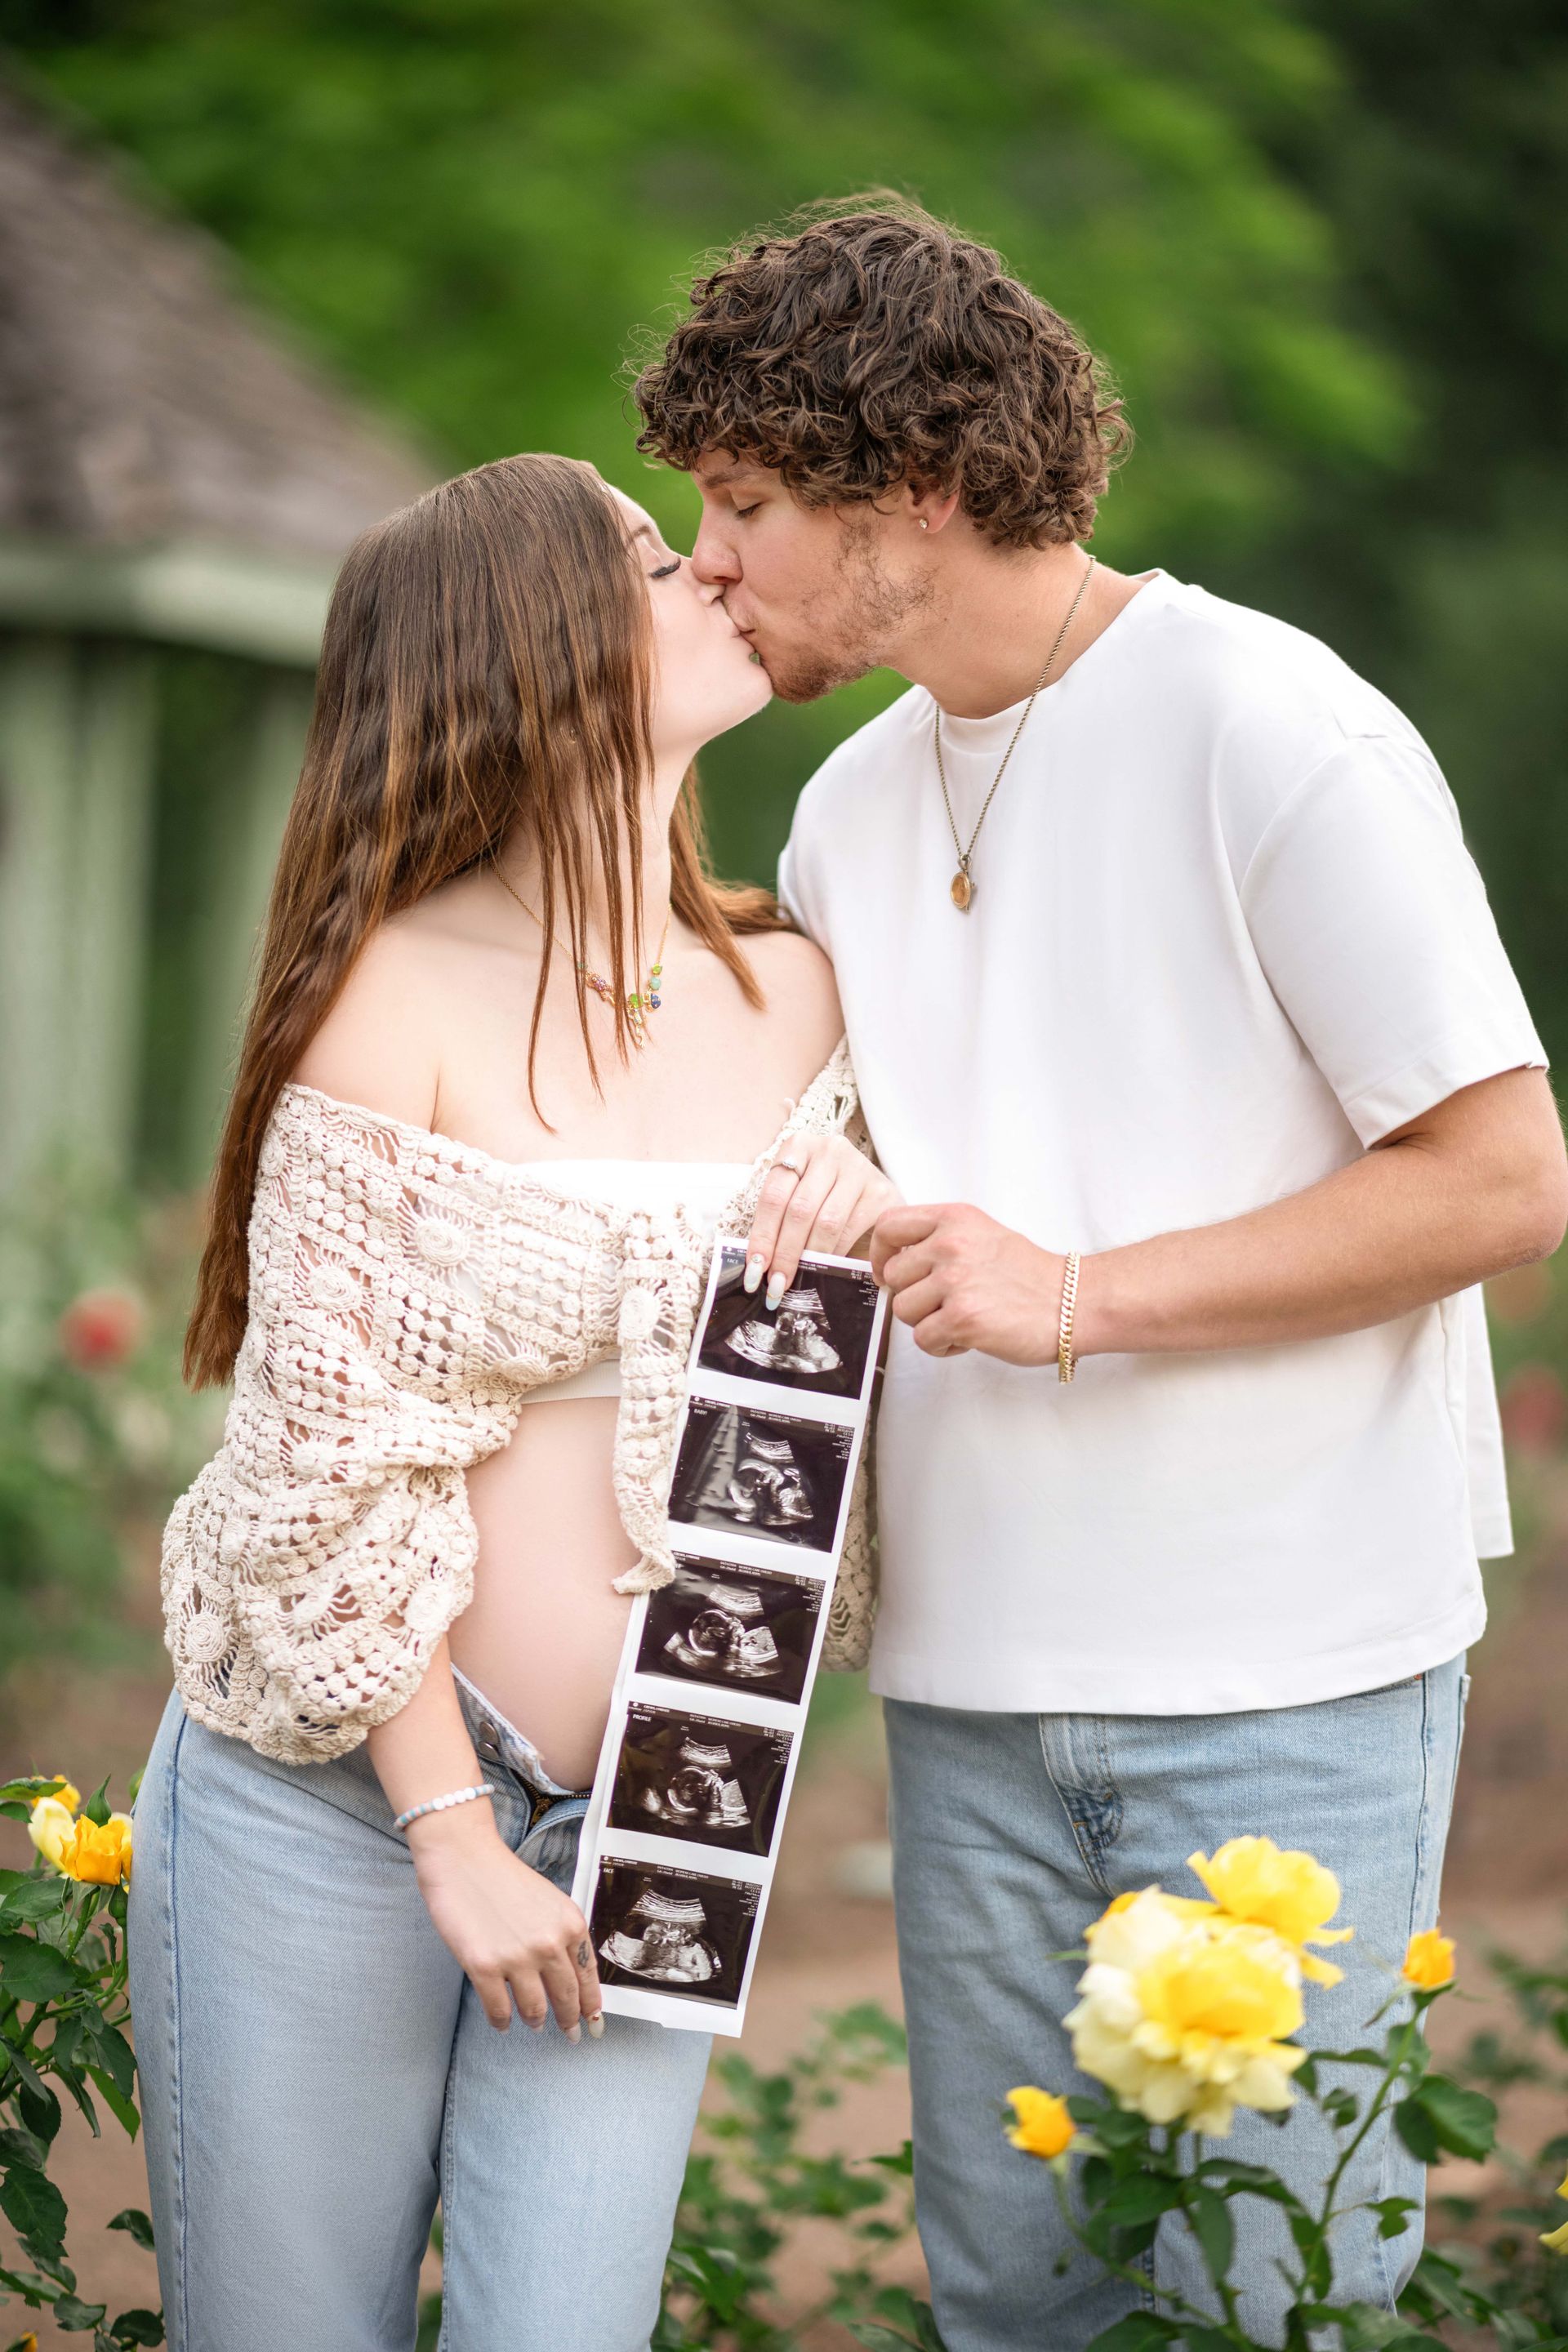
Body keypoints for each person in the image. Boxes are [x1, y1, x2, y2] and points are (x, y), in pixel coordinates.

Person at [632, 203, 1568, 2350]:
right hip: (966, 1697)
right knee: (1017, 2308)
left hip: (1286, 1687)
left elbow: (1505, 1181)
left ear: (929, 493)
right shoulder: (858, 807)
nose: (711, 556)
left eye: (752, 503)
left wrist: (1080, 1291)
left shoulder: (1278, 733)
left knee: (1279, 2308)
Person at [126, 451, 895, 2352]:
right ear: (532, 645)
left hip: (657, 1815)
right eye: (650, 561)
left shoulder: (805, 994)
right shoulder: (390, 995)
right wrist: (450, 1835)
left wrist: (880, 1209)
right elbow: (325, 1460)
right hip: (336, 1805)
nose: (712, 570)